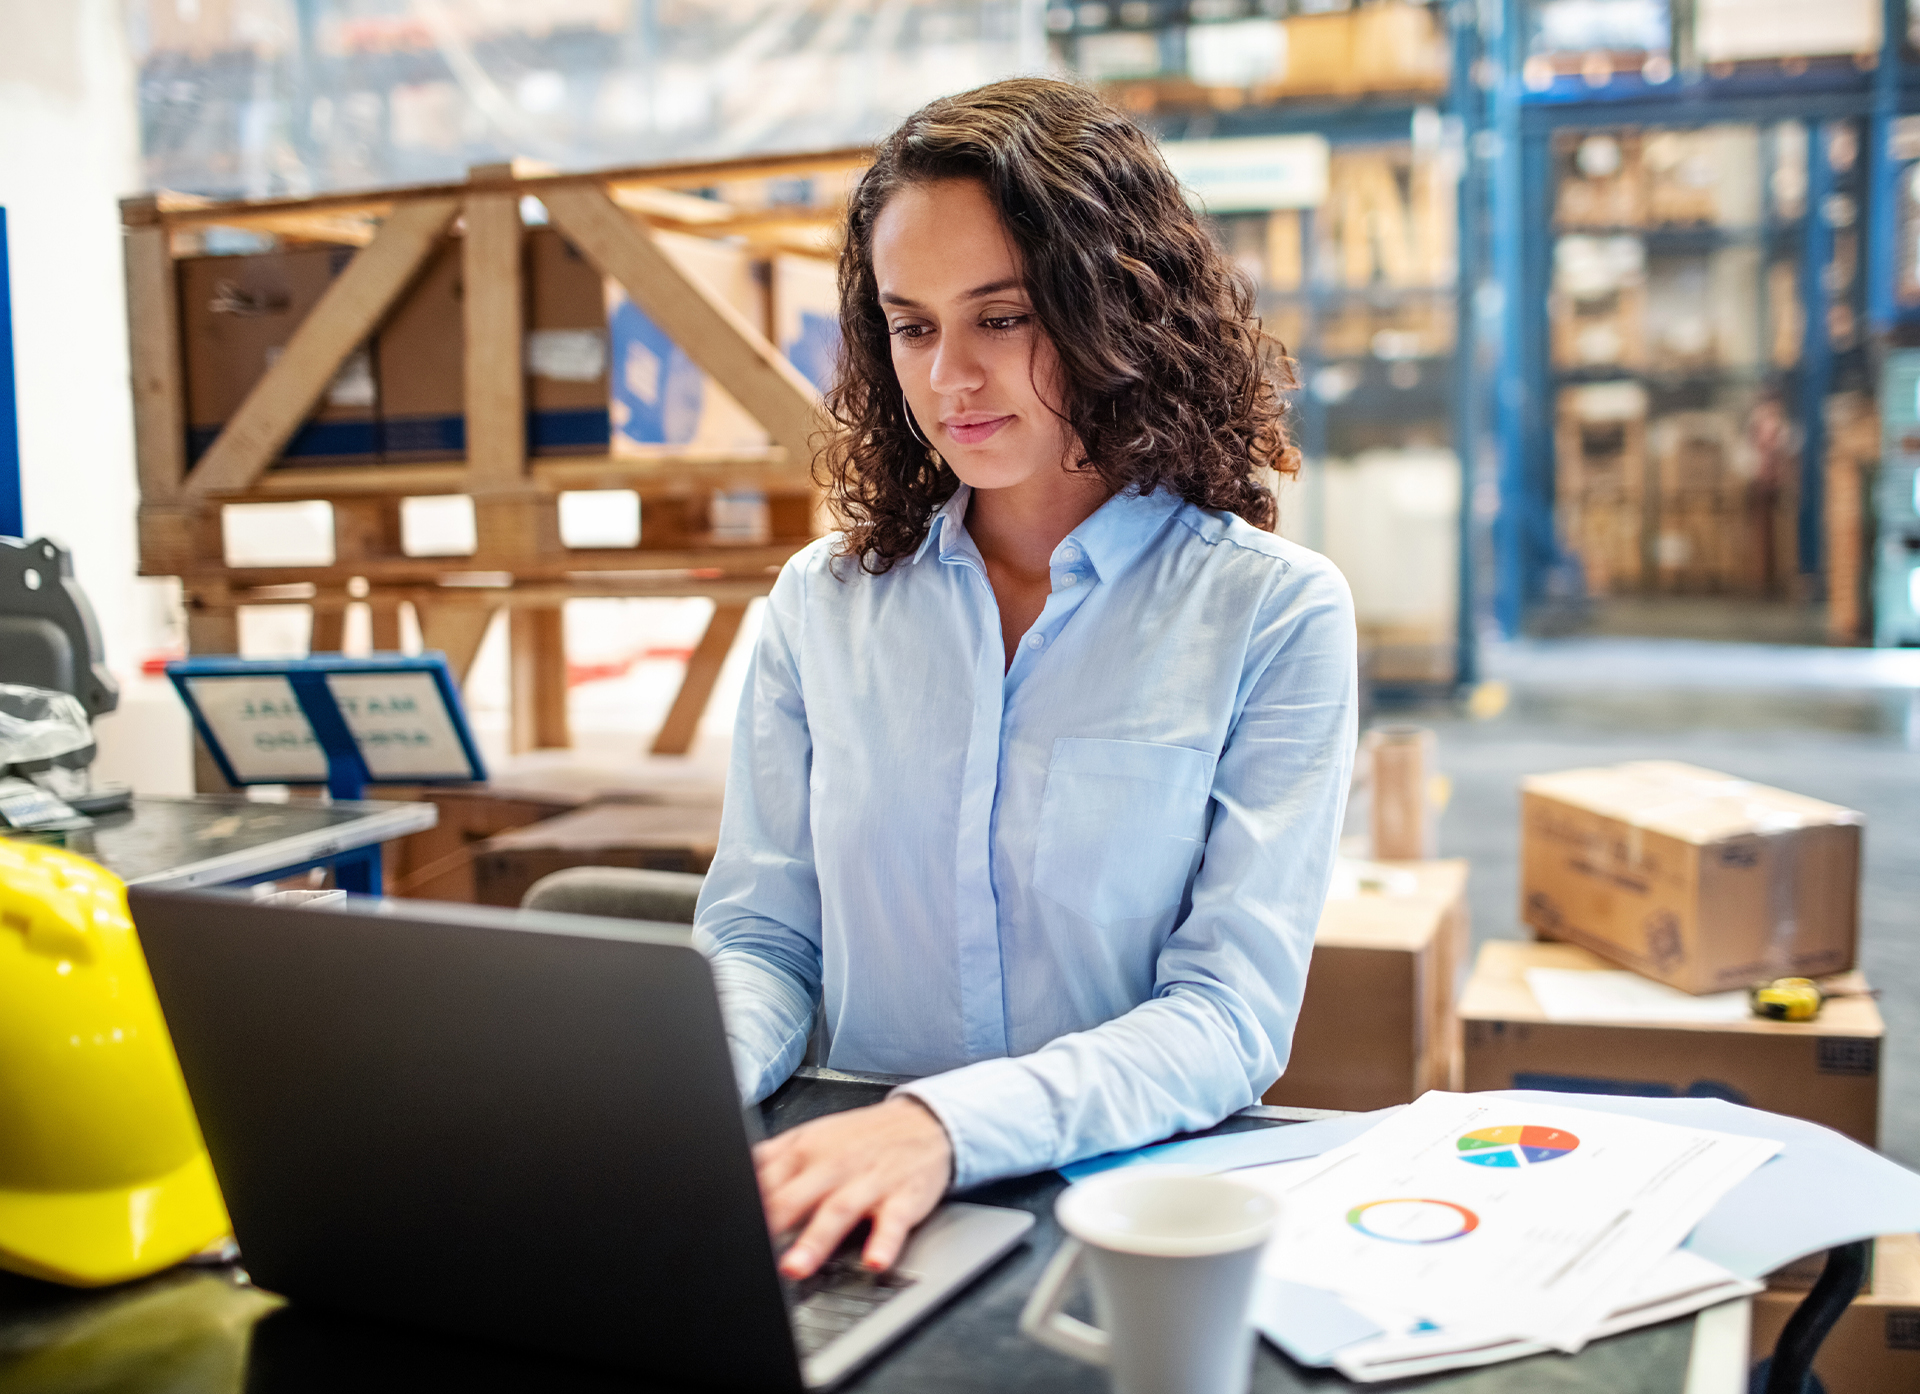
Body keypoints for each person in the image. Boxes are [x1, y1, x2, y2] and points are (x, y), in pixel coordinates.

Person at [692, 77, 1357, 1282]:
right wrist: (684, 1090)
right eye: (912, 324)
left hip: (1124, 1215)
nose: (951, 375)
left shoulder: (1271, 611)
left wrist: (944, 1127)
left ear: (1117, 310)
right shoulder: (820, 605)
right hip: (844, 1197)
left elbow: (1227, 1016)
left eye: (1002, 318)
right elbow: (764, 935)